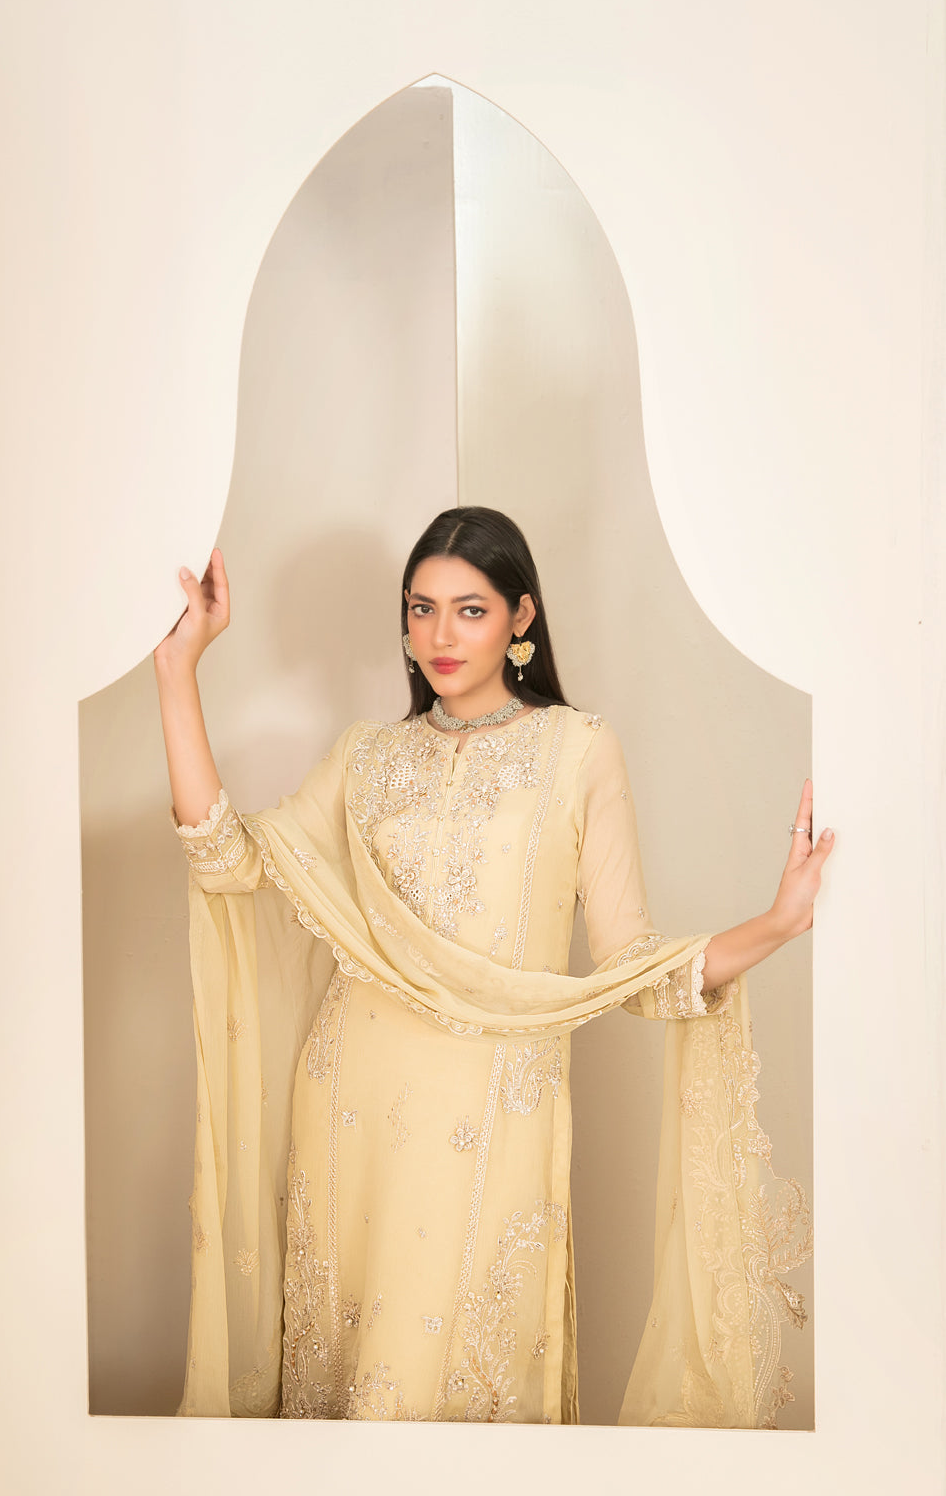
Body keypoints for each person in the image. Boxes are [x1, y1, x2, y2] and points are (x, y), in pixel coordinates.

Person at [154, 507, 831, 1426]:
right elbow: (227, 859)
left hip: (494, 1108)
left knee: (467, 1407)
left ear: (521, 616)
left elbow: (629, 960)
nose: (440, 634)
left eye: (469, 609)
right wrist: (178, 672)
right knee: (347, 1413)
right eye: (421, 608)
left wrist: (777, 923)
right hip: (351, 1105)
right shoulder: (365, 756)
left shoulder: (577, 748)